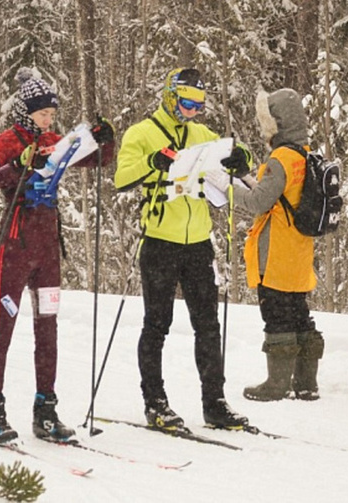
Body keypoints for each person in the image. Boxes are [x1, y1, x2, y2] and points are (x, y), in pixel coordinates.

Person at [0, 67, 115, 444]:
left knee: (47, 328)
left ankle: (45, 409)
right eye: (42, 114)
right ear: (25, 112)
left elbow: (97, 161)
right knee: (3, 327)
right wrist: (17, 166)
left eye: (51, 114)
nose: (49, 120)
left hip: (48, 247)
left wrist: (104, 141)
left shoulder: (54, 140)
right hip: (16, 246)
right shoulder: (4, 143)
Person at [114, 67, 253, 430]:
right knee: (157, 324)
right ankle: (155, 403)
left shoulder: (201, 134)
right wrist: (152, 162)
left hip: (197, 244)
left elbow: (235, 153)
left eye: (199, 106)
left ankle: (215, 403)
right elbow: (121, 177)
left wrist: (243, 161)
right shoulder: (142, 133)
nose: (193, 112)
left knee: (208, 325)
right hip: (160, 241)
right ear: (171, 96)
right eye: (188, 103)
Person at [205, 88, 325, 402]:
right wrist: (244, 175)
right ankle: (306, 383)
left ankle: (277, 383)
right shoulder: (304, 154)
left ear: (277, 123)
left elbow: (260, 202)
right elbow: (279, 194)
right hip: (298, 252)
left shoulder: (281, 158)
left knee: (276, 315)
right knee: (299, 312)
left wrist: (224, 184)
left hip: (277, 252)